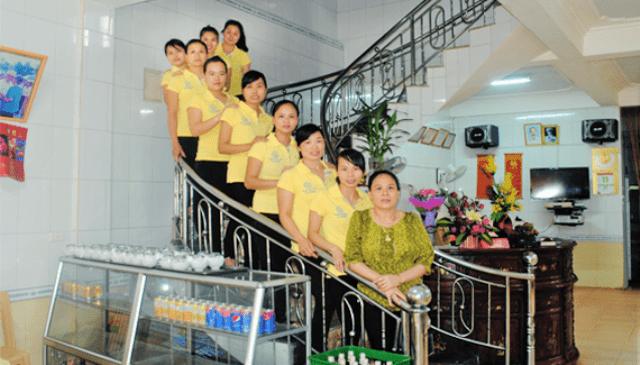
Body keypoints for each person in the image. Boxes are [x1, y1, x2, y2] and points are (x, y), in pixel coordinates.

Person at [343, 170, 434, 352]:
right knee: (381, 353)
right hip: (373, 297)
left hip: (410, 299)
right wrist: (385, 283)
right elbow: (352, 259)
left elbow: (426, 259)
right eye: (378, 188)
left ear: (398, 193)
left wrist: (397, 279)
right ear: (369, 194)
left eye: (390, 188)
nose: (385, 193)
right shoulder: (359, 219)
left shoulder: (412, 221)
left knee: (411, 354)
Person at [277, 124, 337, 353]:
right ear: (298, 146)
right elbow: (284, 214)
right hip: (308, 249)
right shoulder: (291, 175)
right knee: (324, 296)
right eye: (308, 142)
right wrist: (301, 240)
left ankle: (320, 350)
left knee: (334, 296)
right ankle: (313, 351)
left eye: (319, 141)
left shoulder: (333, 174)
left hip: (333, 246)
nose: (314, 147)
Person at [308, 148, 373, 348]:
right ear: (336, 171)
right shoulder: (324, 196)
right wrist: (333, 248)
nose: (350, 174)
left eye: (355, 169)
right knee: (324, 321)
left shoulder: (367, 200)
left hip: (362, 270)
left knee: (353, 323)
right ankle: (313, 359)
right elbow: (312, 233)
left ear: (363, 172)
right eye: (344, 169)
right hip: (335, 270)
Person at [218, 70, 271, 263]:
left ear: (266, 90)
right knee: (243, 216)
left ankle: (249, 260)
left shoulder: (267, 119)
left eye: (259, 86)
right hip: (238, 175)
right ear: (242, 90)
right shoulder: (233, 111)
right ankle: (230, 255)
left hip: (259, 177)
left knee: (250, 219)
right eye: (249, 87)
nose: (254, 91)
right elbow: (222, 146)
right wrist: (251, 145)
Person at [187, 56, 240, 252]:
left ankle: (228, 251)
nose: (217, 78)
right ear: (204, 76)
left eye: (221, 73)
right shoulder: (198, 98)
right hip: (208, 162)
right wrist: (220, 116)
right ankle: (215, 254)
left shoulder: (235, 101)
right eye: (212, 73)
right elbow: (195, 129)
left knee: (239, 208)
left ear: (227, 76)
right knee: (211, 212)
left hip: (234, 163)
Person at [245, 100, 300, 270]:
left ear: (297, 120)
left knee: (286, 265)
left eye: (291, 116)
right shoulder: (262, 145)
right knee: (272, 267)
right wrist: (282, 181)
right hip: (266, 213)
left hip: (292, 214)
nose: (286, 121)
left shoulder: (298, 147)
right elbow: (249, 182)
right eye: (281, 116)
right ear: (273, 120)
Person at [166, 39, 208, 167]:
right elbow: (172, 112)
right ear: (186, 56)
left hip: (209, 138)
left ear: (207, 55)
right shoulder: (177, 79)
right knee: (190, 179)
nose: (197, 55)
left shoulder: (213, 81)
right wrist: (175, 143)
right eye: (192, 52)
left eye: (201, 51)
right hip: (186, 137)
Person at [215, 20, 251, 97]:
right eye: (228, 32)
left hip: (235, 97)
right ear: (223, 32)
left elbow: (247, 80)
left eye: (235, 34)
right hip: (215, 94)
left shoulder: (243, 55)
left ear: (239, 37)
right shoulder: (214, 50)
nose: (231, 36)